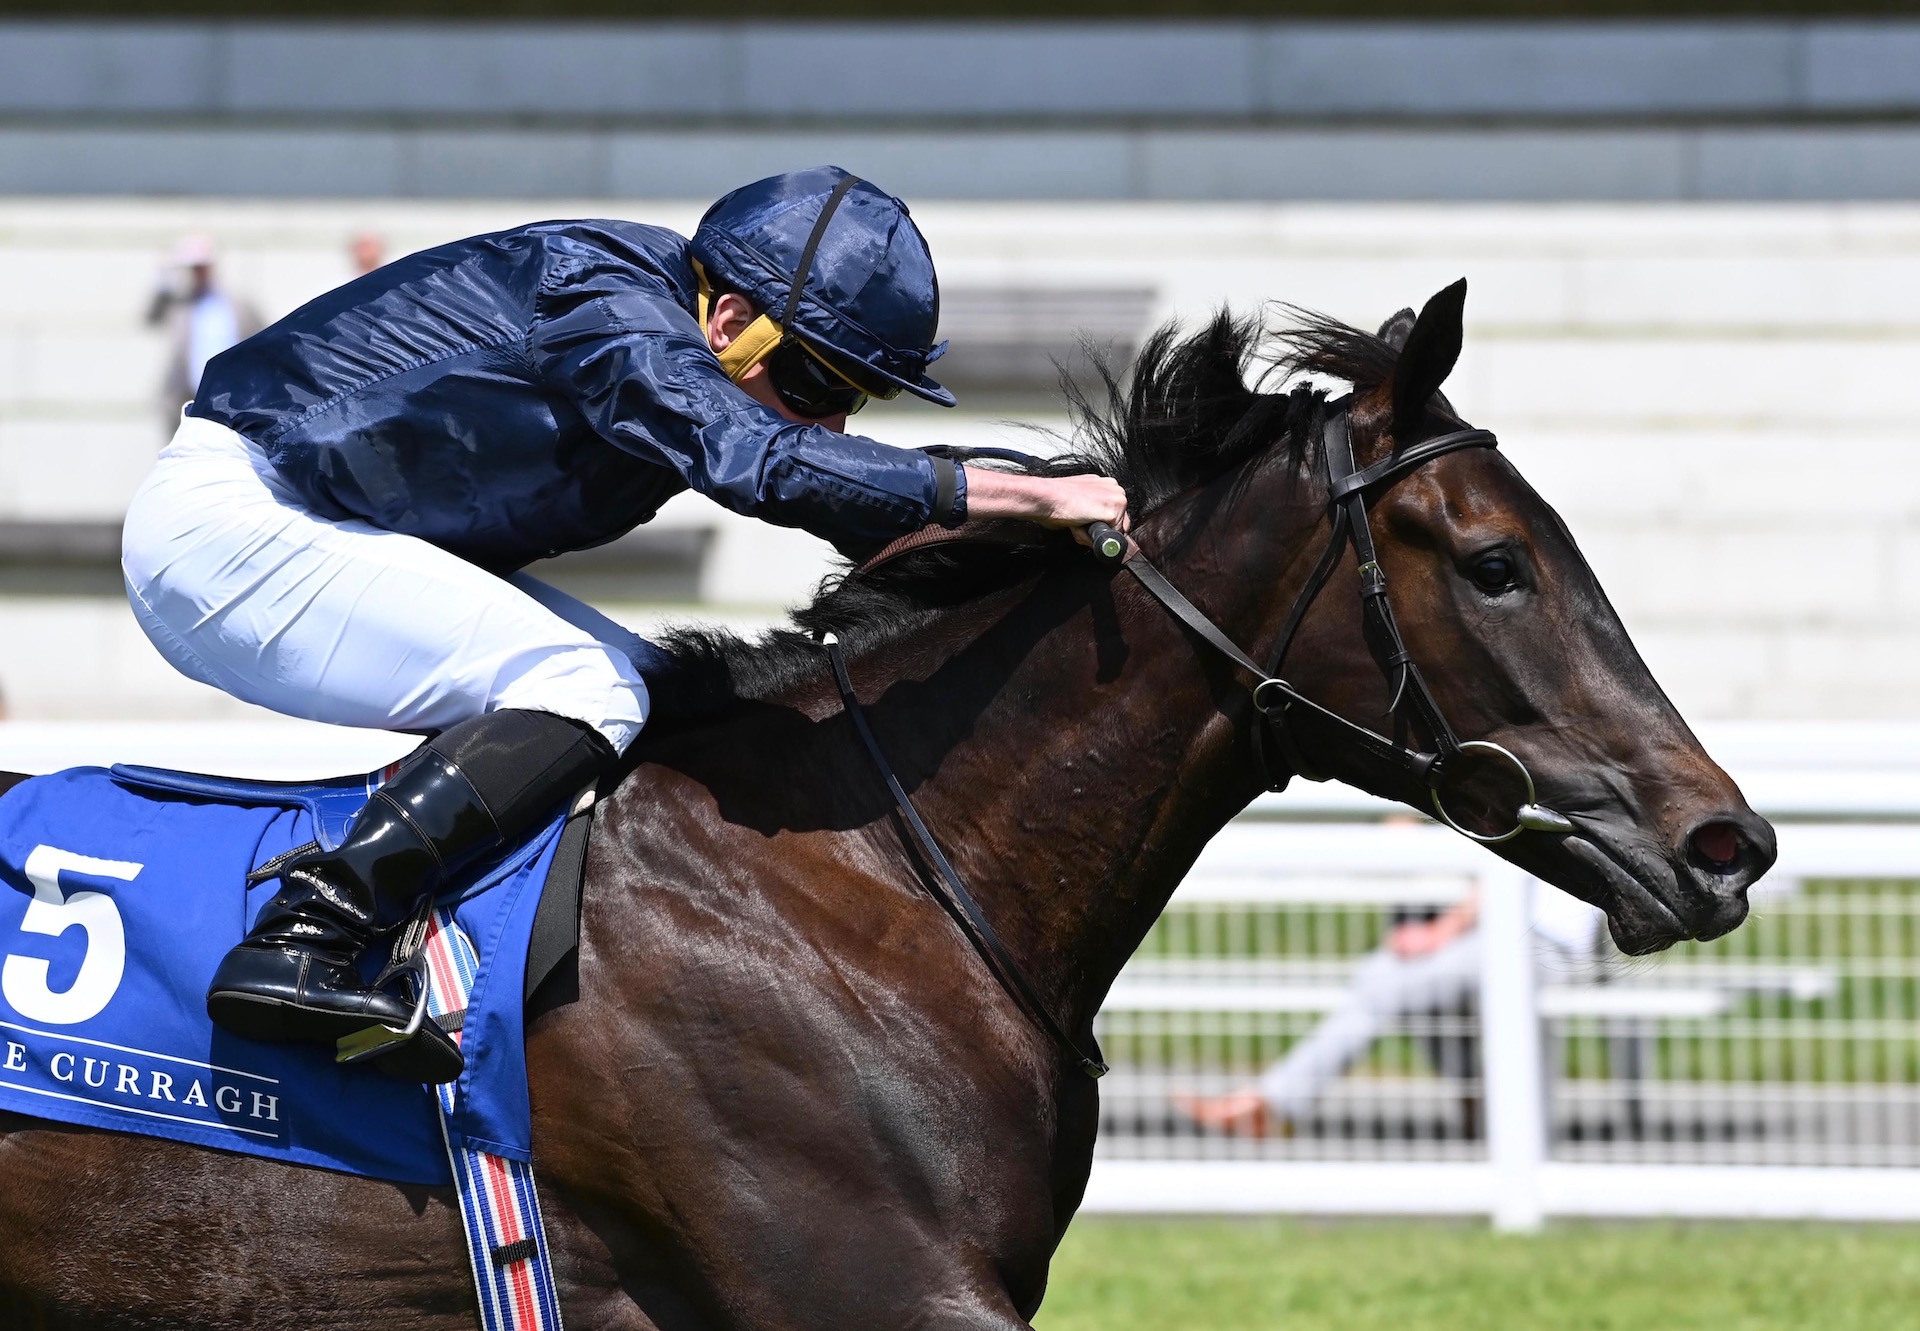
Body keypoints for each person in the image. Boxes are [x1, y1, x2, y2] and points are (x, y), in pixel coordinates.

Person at [120, 167, 1128, 1083]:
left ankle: (483, 970)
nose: (830, 422)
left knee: (663, 700)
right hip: (233, 526)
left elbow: (843, 489)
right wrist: (1017, 499)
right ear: (730, 315)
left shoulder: (692, 345)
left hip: (304, 520)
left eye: (851, 397)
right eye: (820, 384)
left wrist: (1086, 500)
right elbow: (764, 464)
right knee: (589, 688)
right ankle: (308, 934)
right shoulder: (609, 308)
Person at [1176, 883, 1601, 1137]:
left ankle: (1273, 1104)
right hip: (1524, 938)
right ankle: (1275, 1101)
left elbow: (1508, 877)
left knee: (1387, 980)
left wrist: (1441, 931)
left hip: (1544, 945)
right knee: (1401, 987)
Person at [143, 235, 260, 432]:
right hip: (188, 400)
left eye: (201, 267)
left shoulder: (237, 306)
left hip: (234, 401)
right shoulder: (180, 305)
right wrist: (163, 281)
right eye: (193, 268)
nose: (198, 274)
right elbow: (151, 318)